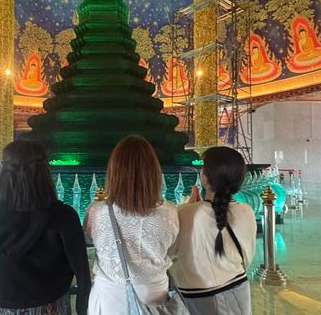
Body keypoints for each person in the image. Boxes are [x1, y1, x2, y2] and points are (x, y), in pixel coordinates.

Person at [0, 140, 91, 315]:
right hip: (51, 303)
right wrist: (83, 306)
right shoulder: (64, 216)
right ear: (45, 173)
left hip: (6, 301)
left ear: (4, 173)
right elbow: (81, 269)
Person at [84, 135, 179, 315]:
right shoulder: (170, 212)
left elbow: (88, 239)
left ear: (114, 172)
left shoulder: (96, 211)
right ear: (154, 173)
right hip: (155, 297)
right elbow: (172, 247)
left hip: (109, 298)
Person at [170, 146, 256, 315]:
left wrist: (189, 207)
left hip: (195, 295)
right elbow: (247, 257)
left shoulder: (184, 213)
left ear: (205, 178)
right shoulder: (246, 211)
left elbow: (170, 254)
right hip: (236, 288)